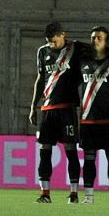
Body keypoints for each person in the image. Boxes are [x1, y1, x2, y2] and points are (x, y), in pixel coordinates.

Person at [27, 21, 83, 204]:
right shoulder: (42, 52)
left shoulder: (75, 49)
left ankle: (74, 193)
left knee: (70, 150)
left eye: (55, 41)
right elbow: (40, 78)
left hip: (67, 108)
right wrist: (33, 106)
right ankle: (45, 193)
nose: (52, 44)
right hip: (48, 109)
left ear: (63, 34)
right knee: (44, 149)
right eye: (49, 42)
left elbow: (99, 51)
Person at [75, 26, 109, 203]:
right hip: (87, 119)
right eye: (93, 37)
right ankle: (89, 195)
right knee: (88, 159)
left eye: (100, 38)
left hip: (108, 120)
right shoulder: (82, 60)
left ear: (107, 42)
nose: (95, 40)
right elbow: (74, 44)